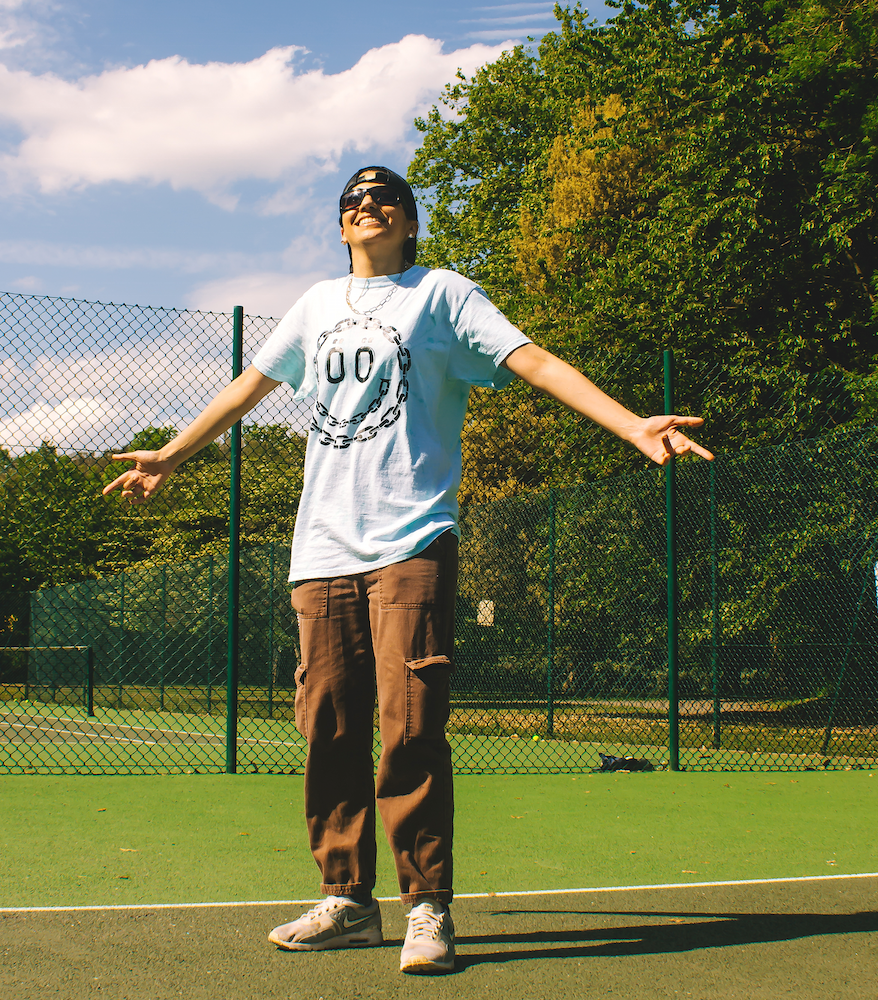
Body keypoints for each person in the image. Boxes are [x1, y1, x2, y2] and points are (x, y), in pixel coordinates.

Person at [103, 165, 713, 974]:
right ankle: (348, 901)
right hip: (319, 553)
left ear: (411, 221)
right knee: (327, 728)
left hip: (412, 540)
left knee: (412, 727)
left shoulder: (445, 296)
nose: (367, 207)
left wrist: (629, 423)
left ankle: (427, 908)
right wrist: (175, 455)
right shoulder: (315, 307)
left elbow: (533, 361)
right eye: (353, 201)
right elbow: (248, 386)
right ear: (341, 223)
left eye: (384, 198)